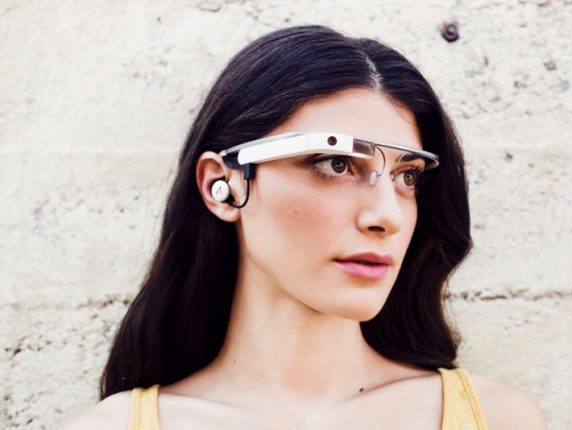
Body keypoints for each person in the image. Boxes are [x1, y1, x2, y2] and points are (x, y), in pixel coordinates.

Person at [64, 25, 546, 429]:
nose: (388, 215)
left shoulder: (497, 418)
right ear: (222, 186)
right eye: (335, 164)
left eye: (407, 177)